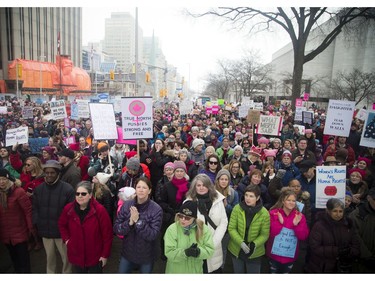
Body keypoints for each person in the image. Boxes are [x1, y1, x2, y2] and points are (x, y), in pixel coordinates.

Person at [58, 181, 113, 273]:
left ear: (90, 195)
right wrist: (67, 240)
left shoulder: (100, 210)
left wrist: (104, 255)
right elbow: (62, 224)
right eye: (77, 193)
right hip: (76, 255)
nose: (80, 196)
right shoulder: (68, 208)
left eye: (83, 194)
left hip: (94, 257)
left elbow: (107, 235)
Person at [32, 160, 75, 273]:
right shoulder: (39, 189)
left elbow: (71, 212)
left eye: (52, 172)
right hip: (46, 231)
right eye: (47, 172)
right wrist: (37, 222)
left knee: (66, 259)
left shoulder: (68, 189)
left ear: (58, 173)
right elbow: (35, 208)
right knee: (49, 259)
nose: (49, 175)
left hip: (62, 233)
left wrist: (67, 229)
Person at [113, 177, 163, 273]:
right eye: (138, 187)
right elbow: (116, 228)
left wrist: (138, 221)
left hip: (146, 256)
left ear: (149, 191)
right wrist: (130, 223)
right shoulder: (127, 205)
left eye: (144, 187)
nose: (141, 190)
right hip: (128, 253)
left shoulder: (156, 209)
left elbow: (153, 235)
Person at [185, 174, 228, 273]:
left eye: (204, 185)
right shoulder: (188, 202)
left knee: (213, 271)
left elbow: (223, 222)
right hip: (196, 246)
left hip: (214, 244)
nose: (201, 188)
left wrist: (214, 242)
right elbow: (184, 225)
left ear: (209, 186)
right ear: (194, 187)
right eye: (198, 185)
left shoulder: (217, 201)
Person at [305, 198, 360, 273]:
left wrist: (349, 253)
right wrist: (336, 251)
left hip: (344, 266)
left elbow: (356, 244)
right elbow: (314, 247)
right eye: (335, 211)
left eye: (340, 211)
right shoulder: (319, 226)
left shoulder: (348, 224)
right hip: (323, 267)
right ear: (328, 211)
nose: (338, 214)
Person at [228, 185, 270, 273]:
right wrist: (241, 242)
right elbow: (231, 228)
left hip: (255, 252)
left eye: (251, 196)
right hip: (237, 249)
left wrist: (255, 244)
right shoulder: (237, 208)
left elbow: (264, 234)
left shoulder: (264, 213)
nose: (248, 198)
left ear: (257, 198)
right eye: (246, 195)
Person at [163, 200, 215, 273]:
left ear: (194, 218)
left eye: (187, 218)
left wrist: (199, 252)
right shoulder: (172, 229)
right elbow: (169, 252)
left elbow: (210, 250)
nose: (183, 220)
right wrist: (185, 253)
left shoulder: (203, 229)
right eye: (181, 216)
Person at [266, 189, 309, 273]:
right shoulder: (273, 213)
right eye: (288, 200)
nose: (291, 202)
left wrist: (296, 225)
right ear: (283, 201)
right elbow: (271, 233)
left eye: (293, 200)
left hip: (289, 256)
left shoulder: (300, 216)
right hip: (274, 255)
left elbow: (303, 236)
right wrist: (280, 223)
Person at [0, 169, 33, 273]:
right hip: (5, 234)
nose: (1, 182)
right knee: (14, 260)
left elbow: (28, 211)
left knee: (23, 261)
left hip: (20, 232)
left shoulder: (18, 192)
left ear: (8, 178)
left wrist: (31, 229)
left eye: (4, 179)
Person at [349, 188, 375, 272]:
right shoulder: (356, 215)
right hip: (362, 263)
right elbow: (354, 237)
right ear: (369, 198)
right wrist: (367, 257)